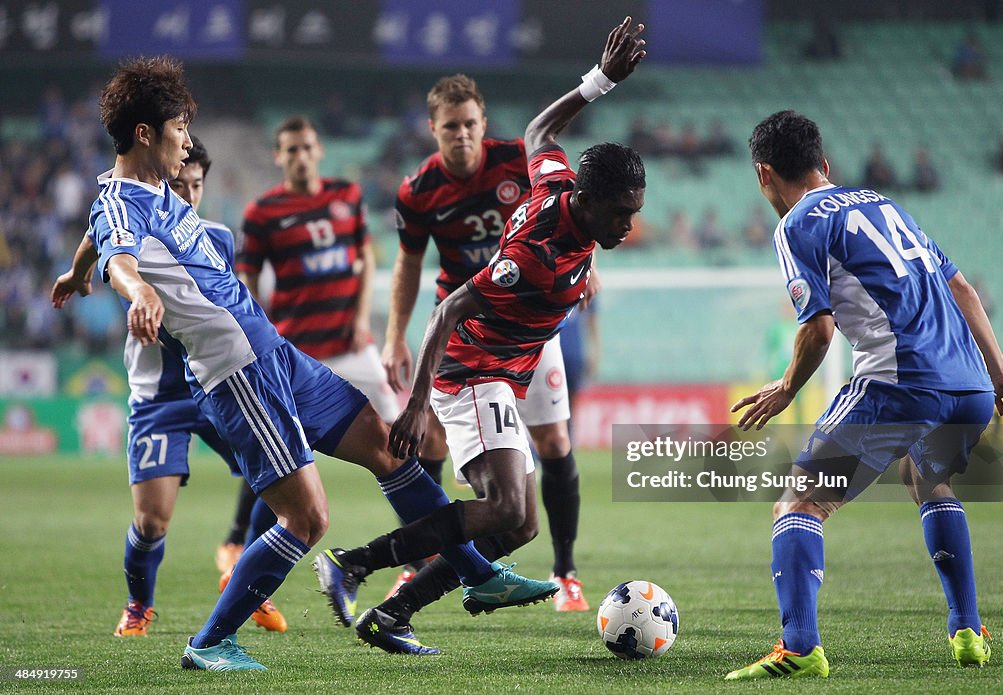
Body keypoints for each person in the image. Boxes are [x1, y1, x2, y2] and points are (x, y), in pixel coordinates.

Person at [84, 56, 556, 672]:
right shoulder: (126, 201)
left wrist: (73, 272)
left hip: (276, 354)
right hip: (237, 374)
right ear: (145, 134)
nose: (186, 143)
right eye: (178, 130)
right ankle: (209, 643)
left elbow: (97, 235)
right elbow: (118, 251)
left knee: (391, 448)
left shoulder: (147, 189)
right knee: (306, 518)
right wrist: (137, 290)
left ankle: (477, 576)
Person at [313, 17, 646, 655]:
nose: (630, 225)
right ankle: (353, 563)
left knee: (517, 521)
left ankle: (393, 614)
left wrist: (601, 81)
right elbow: (448, 309)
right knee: (507, 514)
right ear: (591, 201)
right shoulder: (534, 255)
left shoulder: (554, 183)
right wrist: (413, 404)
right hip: (474, 371)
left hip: (509, 366)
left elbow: (538, 130)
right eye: (622, 214)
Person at [725, 110, 1003, 680]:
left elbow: (818, 328)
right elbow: (959, 284)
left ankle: (799, 648)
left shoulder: (798, 224)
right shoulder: (881, 202)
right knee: (928, 479)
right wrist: (1001, 371)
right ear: (825, 164)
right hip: (970, 387)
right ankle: (968, 631)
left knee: (800, 501)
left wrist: (787, 389)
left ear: (764, 174)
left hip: (900, 382)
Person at [51, 136, 286, 636]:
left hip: (219, 381)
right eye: (179, 184)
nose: (187, 194)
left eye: (196, 185)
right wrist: (78, 272)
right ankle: (139, 604)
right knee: (153, 521)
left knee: (283, 472)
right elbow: (103, 236)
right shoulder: (133, 217)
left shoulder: (217, 236)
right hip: (159, 396)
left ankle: (248, 584)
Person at [381, 72, 589, 609]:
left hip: (532, 325)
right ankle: (420, 564)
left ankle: (565, 572)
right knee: (429, 443)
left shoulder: (515, 160)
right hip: (465, 327)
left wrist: (581, 272)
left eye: (470, 124)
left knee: (554, 442)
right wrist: (394, 338)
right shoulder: (418, 190)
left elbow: (566, 214)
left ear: (484, 124)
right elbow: (408, 266)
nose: (462, 134)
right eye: (451, 126)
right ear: (433, 129)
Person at [214, 115, 402, 578]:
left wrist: (361, 321)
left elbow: (363, 262)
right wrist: (262, 340)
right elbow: (249, 282)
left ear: (319, 151)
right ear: (279, 157)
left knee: (398, 441)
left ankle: (422, 545)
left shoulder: (347, 196)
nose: (300, 157)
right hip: (298, 355)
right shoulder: (263, 213)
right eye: (291, 150)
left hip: (352, 345)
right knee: (282, 452)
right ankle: (239, 539)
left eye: (307, 147)